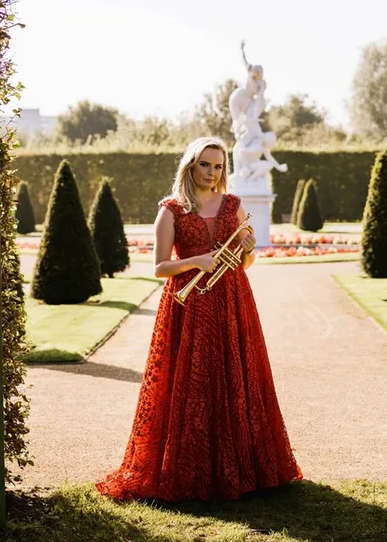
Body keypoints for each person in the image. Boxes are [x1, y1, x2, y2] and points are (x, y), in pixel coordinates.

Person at [95, 137, 303, 502]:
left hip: (233, 300)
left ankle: (245, 470)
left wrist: (248, 249)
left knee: (236, 376)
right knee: (190, 384)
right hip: (187, 305)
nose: (212, 172)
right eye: (205, 164)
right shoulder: (171, 210)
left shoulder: (234, 205)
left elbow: (243, 262)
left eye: (218, 166)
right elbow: (160, 267)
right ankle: (189, 471)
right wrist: (195, 261)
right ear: (190, 166)